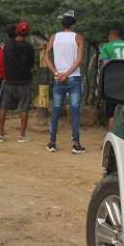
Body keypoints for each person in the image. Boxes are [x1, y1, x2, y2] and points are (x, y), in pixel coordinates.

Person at [45, 15, 86, 154]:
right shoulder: (78, 37)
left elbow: (46, 56)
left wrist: (56, 73)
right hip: (73, 77)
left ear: (62, 25)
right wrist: (67, 74)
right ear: (73, 25)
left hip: (58, 78)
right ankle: (76, 144)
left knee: (56, 110)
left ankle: (52, 142)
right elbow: (79, 60)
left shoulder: (54, 37)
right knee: (74, 111)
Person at [0, 21, 35, 143]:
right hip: (24, 82)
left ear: (16, 31)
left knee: (3, 107)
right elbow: (30, 64)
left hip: (8, 81)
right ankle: (22, 136)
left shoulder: (8, 45)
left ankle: (0, 134)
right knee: (24, 109)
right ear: (27, 33)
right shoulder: (29, 48)